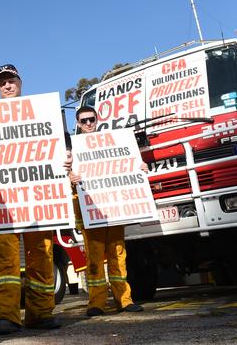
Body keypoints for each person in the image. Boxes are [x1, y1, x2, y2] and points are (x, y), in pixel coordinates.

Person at [0, 64, 63, 335]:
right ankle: (6, 316)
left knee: (42, 255)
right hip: (4, 203)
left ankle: (41, 313)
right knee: (3, 259)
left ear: (20, 83)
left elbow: (61, 141)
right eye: (2, 83)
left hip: (37, 202)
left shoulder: (42, 113)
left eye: (11, 81)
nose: (7, 86)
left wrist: (66, 154)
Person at [68, 105, 145, 317]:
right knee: (94, 257)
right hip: (89, 211)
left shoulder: (114, 143)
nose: (88, 124)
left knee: (118, 253)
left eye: (91, 119)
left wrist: (140, 168)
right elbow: (61, 173)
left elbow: (127, 165)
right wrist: (70, 177)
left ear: (97, 119)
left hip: (113, 209)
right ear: (78, 124)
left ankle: (124, 300)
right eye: (84, 121)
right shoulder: (72, 148)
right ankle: (97, 303)